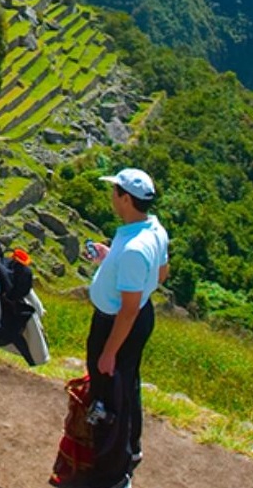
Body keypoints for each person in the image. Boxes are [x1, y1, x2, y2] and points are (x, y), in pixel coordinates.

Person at [80, 168, 170, 487]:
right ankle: (131, 447)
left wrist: (108, 352)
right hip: (140, 315)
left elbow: (127, 310)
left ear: (126, 199)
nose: (112, 196)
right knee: (127, 385)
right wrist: (110, 260)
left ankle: (112, 473)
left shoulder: (134, 249)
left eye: (115, 191)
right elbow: (161, 274)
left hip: (117, 324)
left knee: (108, 396)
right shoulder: (152, 229)